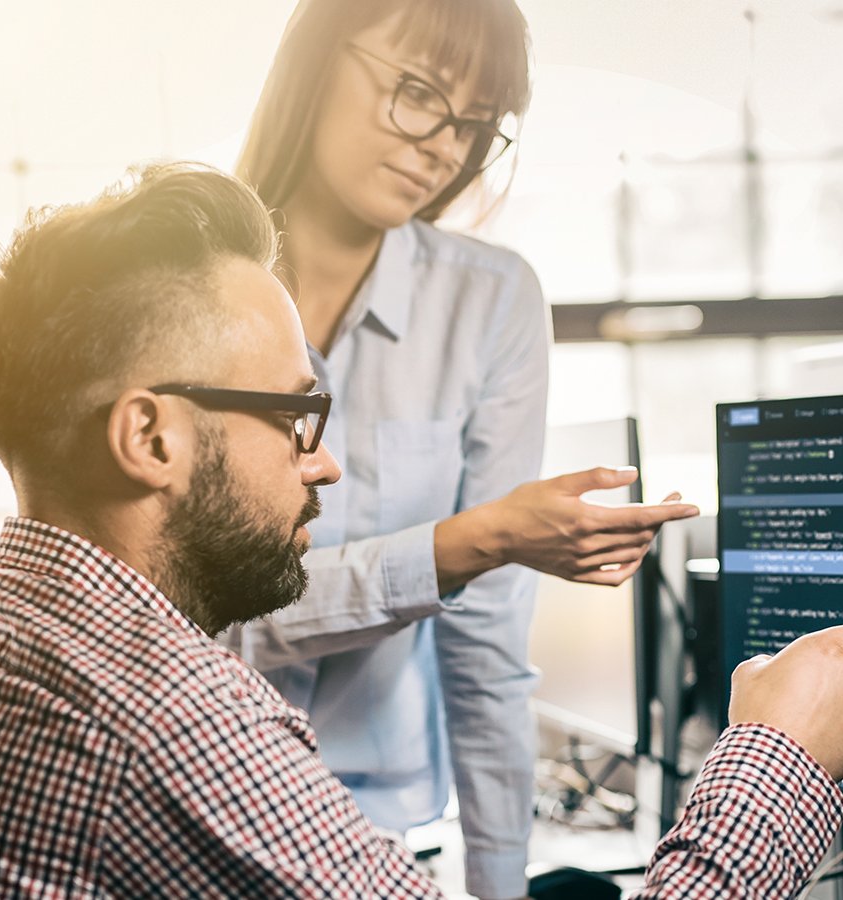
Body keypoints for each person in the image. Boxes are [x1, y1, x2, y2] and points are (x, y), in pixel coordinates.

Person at [0, 164, 843, 896]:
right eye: (296, 415)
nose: (328, 461)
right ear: (149, 438)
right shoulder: (158, 720)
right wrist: (778, 756)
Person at [230, 2, 695, 894]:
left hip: (377, 831)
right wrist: (468, 541)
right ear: (317, 61)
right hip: (199, 799)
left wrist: (498, 882)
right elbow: (188, 620)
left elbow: (487, 638)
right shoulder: (194, 284)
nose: (445, 146)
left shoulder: (492, 301)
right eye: (417, 93)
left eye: (477, 124)